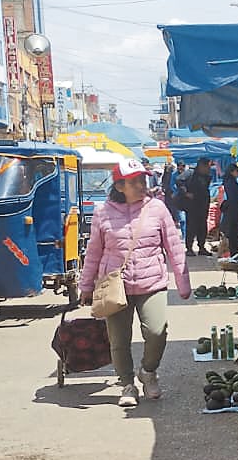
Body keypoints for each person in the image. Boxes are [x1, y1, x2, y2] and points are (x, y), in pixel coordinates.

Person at [78, 159, 191, 408]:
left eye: (143, 179)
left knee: (156, 332)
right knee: (119, 340)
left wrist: (183, 283)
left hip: (152, 282)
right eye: (134, 181)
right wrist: (86, 286)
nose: (141, 185)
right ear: (119, 186)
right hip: (115, 286)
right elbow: (94, 252)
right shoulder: (102, 212)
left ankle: (148, 372)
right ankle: (127, 384)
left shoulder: (157, 208)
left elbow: (173, 246)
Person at [181, 160, 213, 256]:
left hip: (203, 205)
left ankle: (201, 247)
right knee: (191, 227)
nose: (209, 169)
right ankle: (189, 248)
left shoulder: (206, 176)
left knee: (202, 227)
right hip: (192, 206)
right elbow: (179, 181)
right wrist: (186, 193)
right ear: (201, 166)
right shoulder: (190, 173)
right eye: (207, 167)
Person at [216, 160, 238, 258]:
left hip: (232, 213)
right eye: (237, 171)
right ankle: (235, 256)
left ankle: (235, 255)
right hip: (234, 213)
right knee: (234, 236)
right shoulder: (230, 182)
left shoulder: (230, 181)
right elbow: (234, 197)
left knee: (234, 236)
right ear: (232, 171)